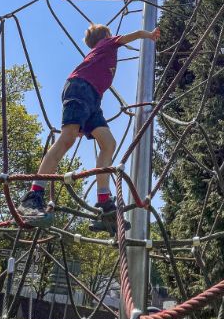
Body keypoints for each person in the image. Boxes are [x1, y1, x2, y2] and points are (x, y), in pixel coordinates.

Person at [17, 23, 161, 228]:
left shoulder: (101, 49)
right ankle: (33, 194)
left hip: (93, 98)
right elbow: (134, 34)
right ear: (107, 36)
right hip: (80, 88)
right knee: (67, 139)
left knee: (108, 143)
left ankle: (104, 202)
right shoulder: (108, 43)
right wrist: (149, 34)